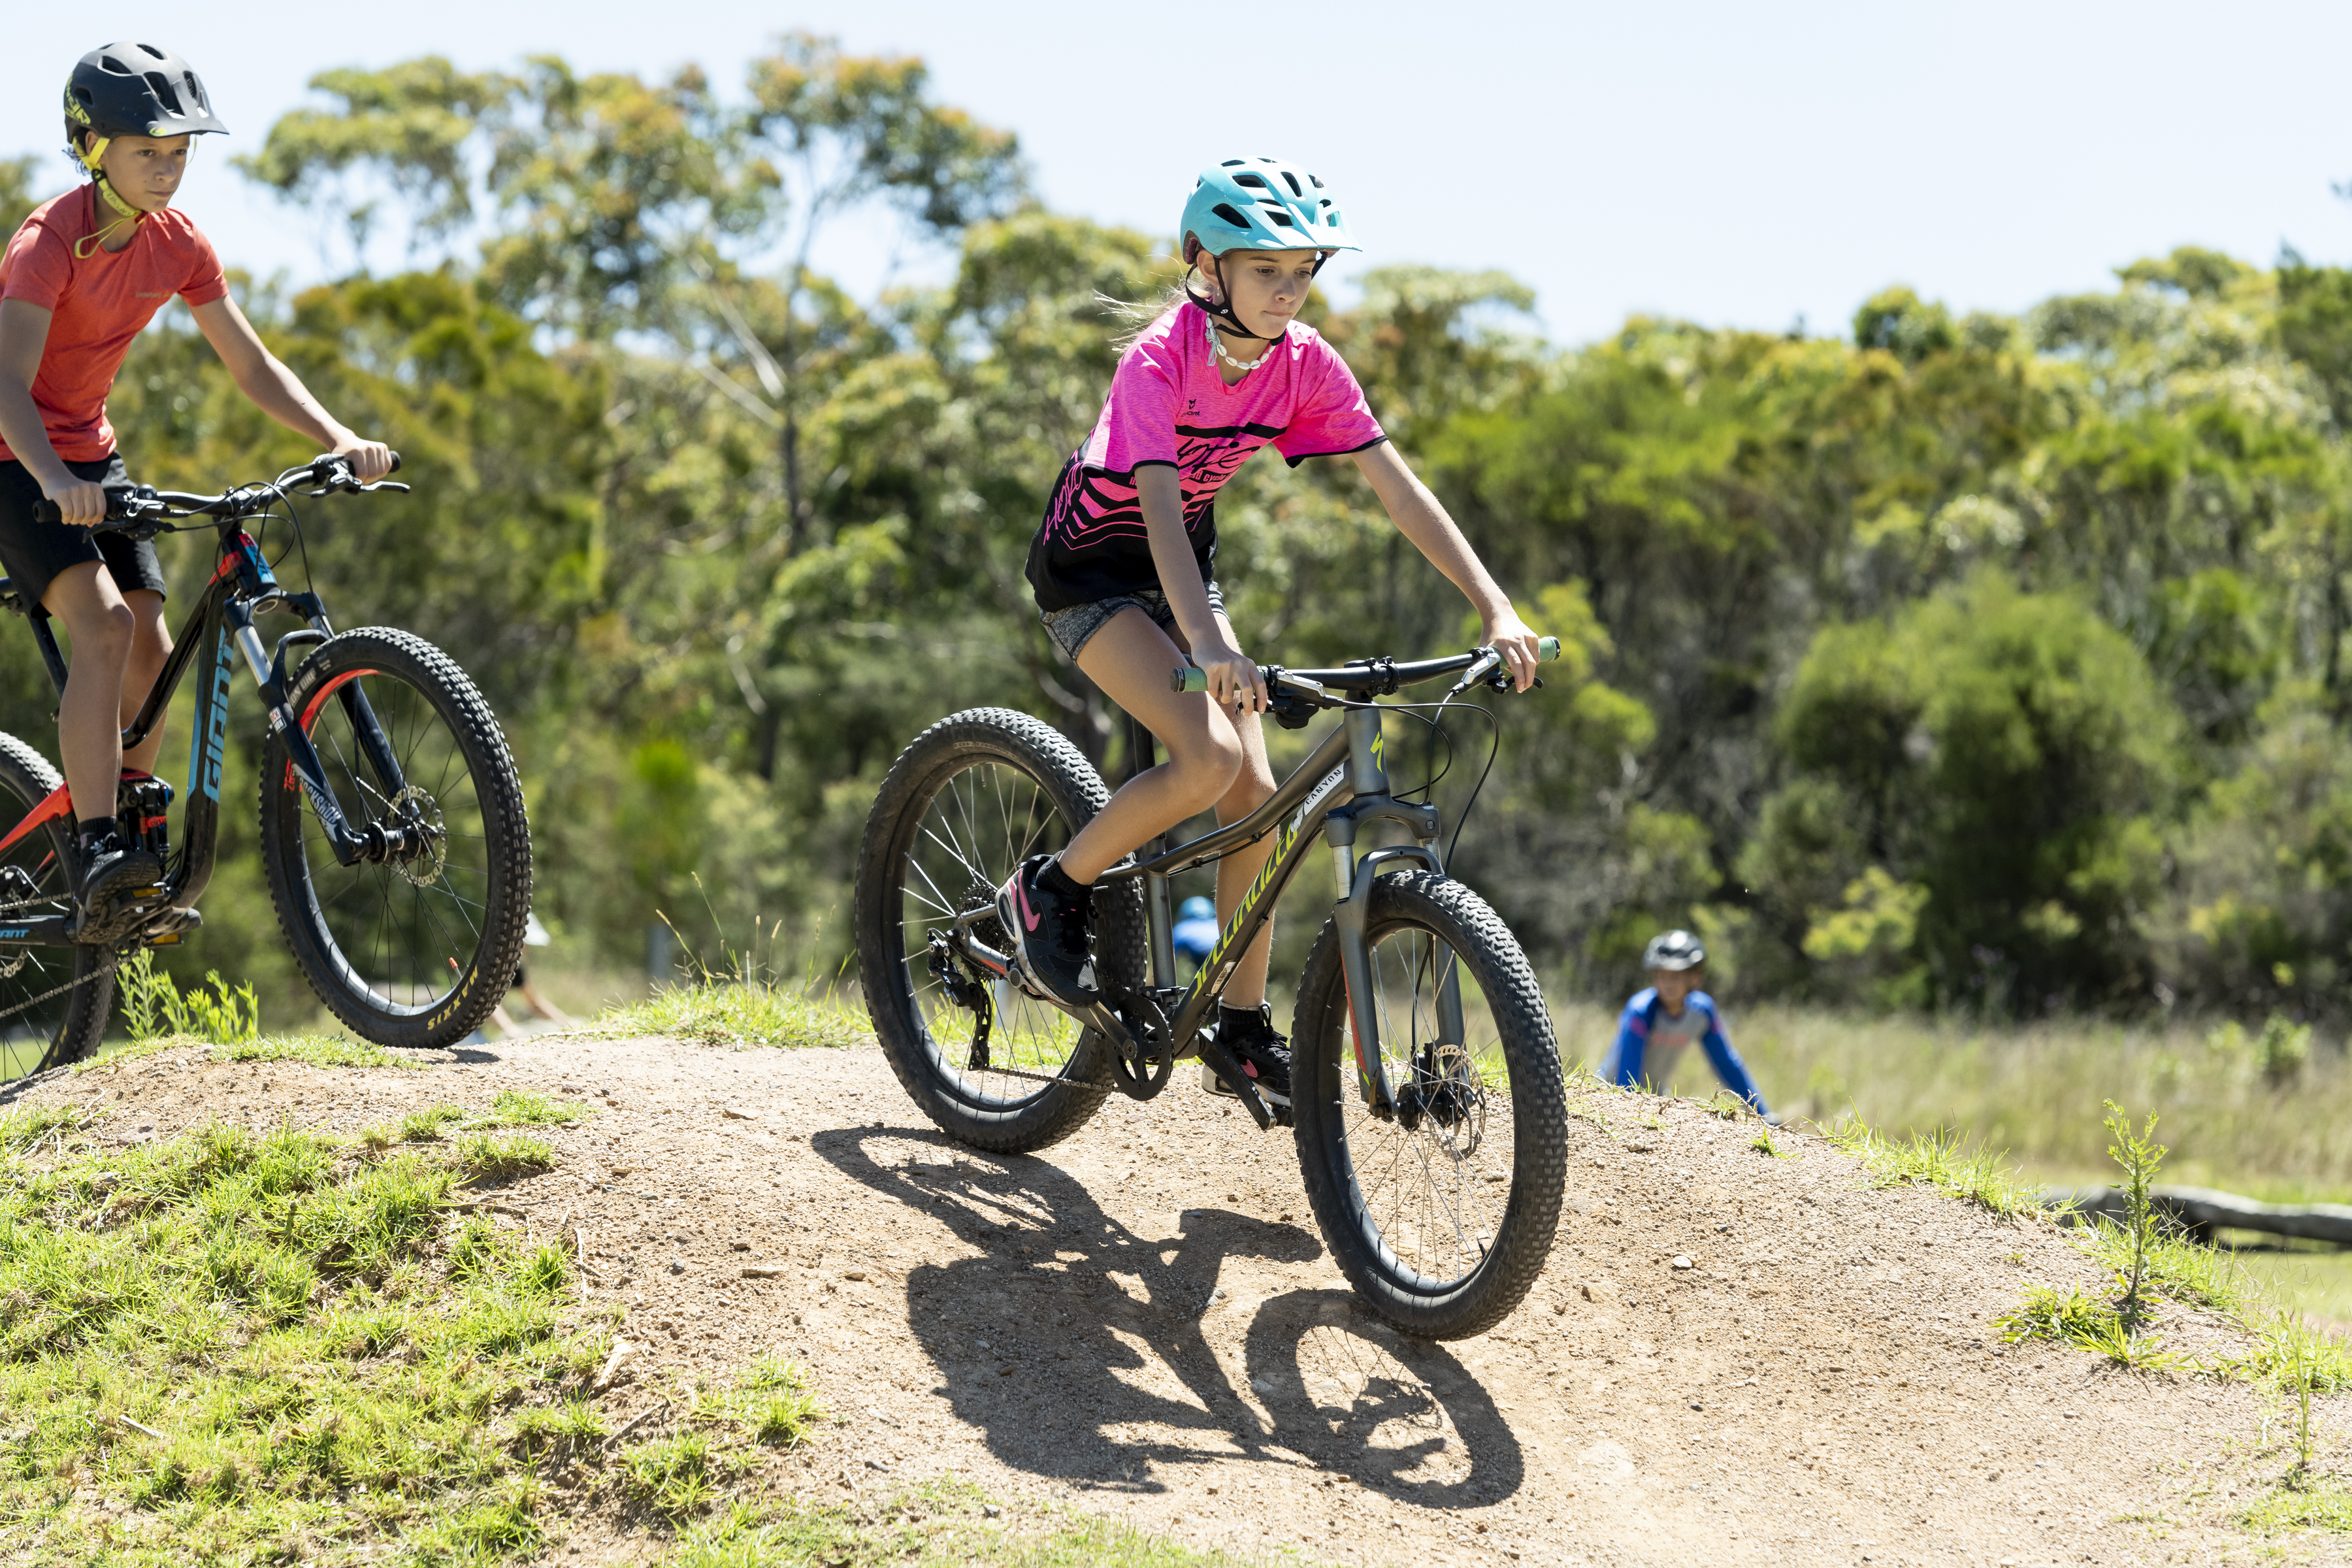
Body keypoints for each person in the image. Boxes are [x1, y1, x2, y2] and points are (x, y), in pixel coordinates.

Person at [995, 157, 1544, 1112]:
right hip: (1094, 576)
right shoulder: (1157, 361)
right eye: (1266, 270)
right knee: (1210, 761)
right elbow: (1157, 511)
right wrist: (1211, 648)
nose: (1288, 291)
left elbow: (1398, 490)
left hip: (1185, 578)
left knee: (1257, 797)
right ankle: (1047, 891)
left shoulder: (1304, 364)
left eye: (1302, 271)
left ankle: (1240, 1029)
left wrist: (1495, 605)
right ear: (1206, 264)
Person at [0, 43, 391, 943]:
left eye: (180, 153)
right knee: (103, 626)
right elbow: (7, 384)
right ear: (91, 145)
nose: (168, 168)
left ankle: (130, 829)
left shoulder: (176, 242)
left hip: (92, 456)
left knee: (151, 644)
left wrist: (337, 437)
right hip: (13, 460)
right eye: (149, 151)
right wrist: (52, 477)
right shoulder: (47, 243)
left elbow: (251, 364)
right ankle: (96, 842)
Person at [1601, 930, 1775, 1120]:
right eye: (1661, 975)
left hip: (1656, 1098)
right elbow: (1627, 1074)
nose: (1668, 983)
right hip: (1609, 1094)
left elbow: (1727, 1065)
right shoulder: (1641, 1011)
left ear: (1695, 977)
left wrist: (1763, 1115)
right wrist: (1631, 1109)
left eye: (1676, 976)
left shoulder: (1702, 1012)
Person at [1171, 894, 1218, 972]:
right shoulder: (1216, 925)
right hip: (1223, 953)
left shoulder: (1182, 928)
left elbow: (1168, 958)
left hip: (1203, 957)